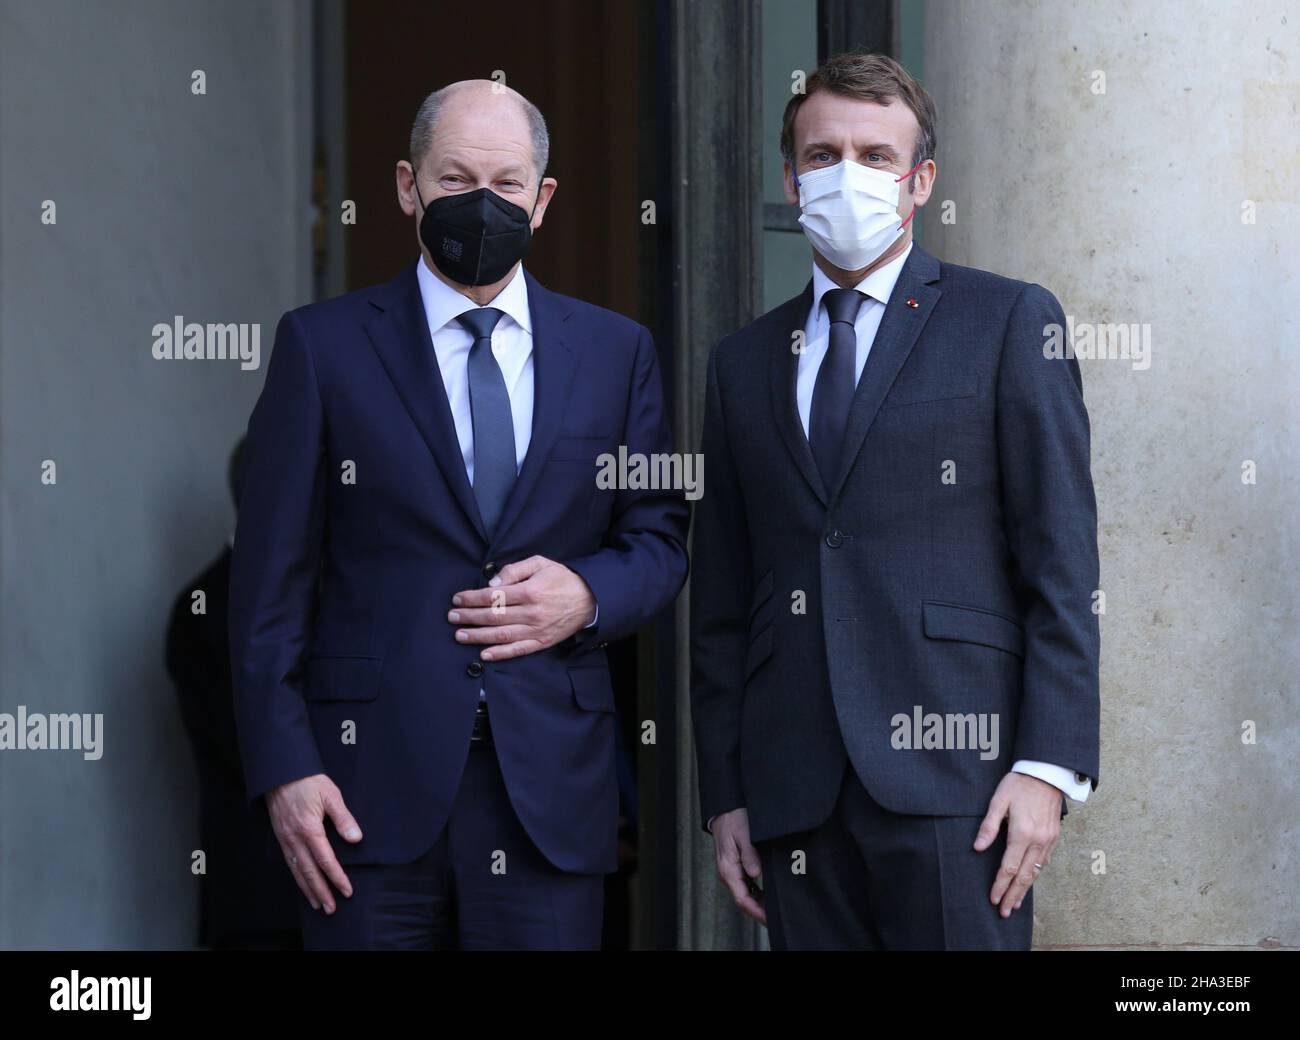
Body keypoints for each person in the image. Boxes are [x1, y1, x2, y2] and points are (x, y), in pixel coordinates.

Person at [229, 80, 688, 950]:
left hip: (548, 790)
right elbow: (266, 586)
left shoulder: (616, 351)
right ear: (407, 187)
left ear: (543, 199)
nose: (483, 203)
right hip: (360, 794)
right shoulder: (322, 347)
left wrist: (586, 594)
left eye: (508, 183)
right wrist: (286, 768)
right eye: (454, 180)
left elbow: (660, 538)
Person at [690, 52, 1100, 950]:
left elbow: (1061, 562)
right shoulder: (741, 363)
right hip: (794, 795)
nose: (848, 175)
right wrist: (724, 792)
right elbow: (720, 597)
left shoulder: (1006, 322)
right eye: (824, 152)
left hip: (961, 787)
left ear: (920, 182)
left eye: (876, 156)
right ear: (790, 177)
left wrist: (1049, 766)